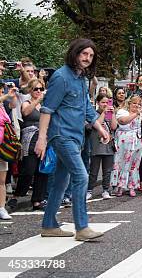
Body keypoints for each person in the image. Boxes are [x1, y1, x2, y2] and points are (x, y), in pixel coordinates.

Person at [34, 38, 111, 241]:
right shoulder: (61, 77)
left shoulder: (81, 79)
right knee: (81, 176)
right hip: (62, 136)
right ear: (75, 53)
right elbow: (47, 109)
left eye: (91, 55)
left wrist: (101, 128)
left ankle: (49, 225)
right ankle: (82, 227)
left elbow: (86, 108)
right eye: (84, 54)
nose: (87, 58)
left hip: (76, 137)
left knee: (61, 181)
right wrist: (42, 139)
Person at [8, 79, 47, 210]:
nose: (39, 91)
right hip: (29, 139)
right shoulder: (27, 102)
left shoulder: (44, 106)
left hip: (42, 138)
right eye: (36, 89)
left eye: (41, 89)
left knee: (41, 171)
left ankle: (37, 200)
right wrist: (37, 100)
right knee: (28, 170)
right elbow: (26, 112)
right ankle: (16, 196)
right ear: (31, 90)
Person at [110, 95, 142, 197]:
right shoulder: (122, 112)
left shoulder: (140, 114)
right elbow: (123, 121)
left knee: (134, 165)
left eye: (139, 104)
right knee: (121, 163)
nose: (136, 105)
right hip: (124, 142)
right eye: (134, 103)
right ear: (129, 103)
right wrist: (136, 113)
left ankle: (132, 186)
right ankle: (120, 187)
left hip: (137, 141)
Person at [86, 94, 117, 200]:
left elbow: (113, 127)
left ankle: (105, 190)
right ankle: (89, 190)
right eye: (103, 102)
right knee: (93, 171)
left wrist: (112, 114)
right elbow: (96, 125)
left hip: (108, 145)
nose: (105, 104)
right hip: (96, 145)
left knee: (107, 170)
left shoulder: (110, 113)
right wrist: (104, 112)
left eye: (107, 102)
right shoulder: (93, 114)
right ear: (98, 103)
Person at [0, 80, 19, 220]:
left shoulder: (2, 104)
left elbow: (13, 106)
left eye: (2, 90)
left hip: (3, 145)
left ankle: (1, 208)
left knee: (2, 180)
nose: (2, 92)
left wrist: (12, 96)